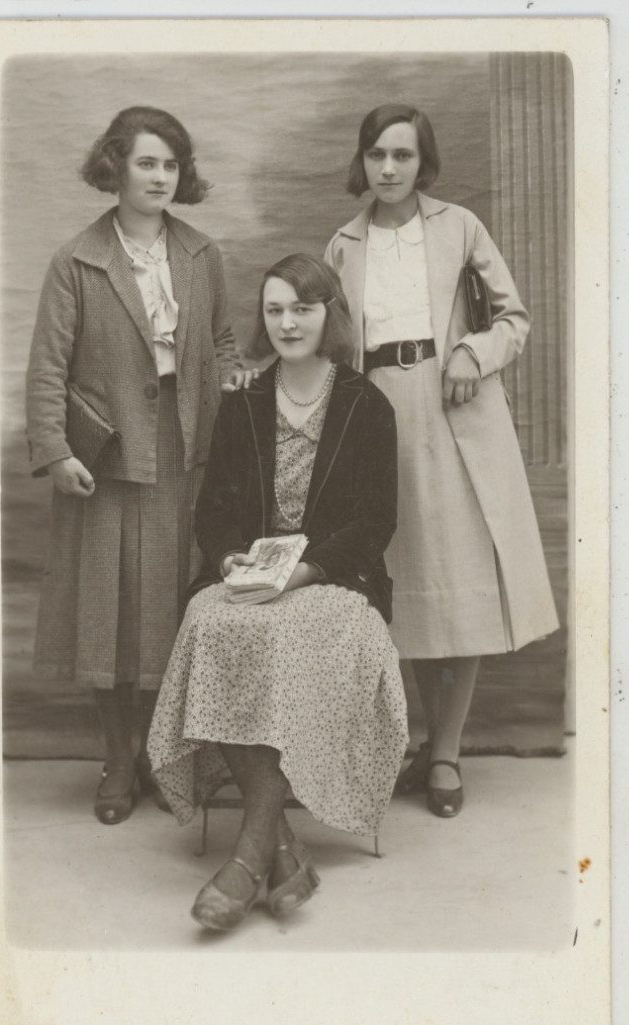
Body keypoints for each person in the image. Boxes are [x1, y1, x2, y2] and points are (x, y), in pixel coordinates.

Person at [146, 253, 409, 931]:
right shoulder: (245, 401)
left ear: (331, 315)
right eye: (274, 309)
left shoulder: (366, 404)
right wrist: (240, 560)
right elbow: (216, 510)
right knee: (211, 623)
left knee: (297, 631)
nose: (288, 322)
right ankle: (282, 852)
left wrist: (303, 571)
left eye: (303, 307)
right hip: (251, 575)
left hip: (334, 577)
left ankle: (251, 852)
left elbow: (374, 521)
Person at [324, 103, 559, 818]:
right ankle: (428, 739)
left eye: (403, 155)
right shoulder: (342, 244)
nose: (389, 169)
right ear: (361, 162)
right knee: (414, 586)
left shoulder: (459, 227)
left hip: (455, 409)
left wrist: (471, 350)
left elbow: (513, 318)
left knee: (461, 583)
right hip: (379, 415)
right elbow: (328, 338)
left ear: (423, 163)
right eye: (377, 155)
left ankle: (448, 750)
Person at [26, 106, 242, 826]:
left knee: (164, 610)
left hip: (184, 450)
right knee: (106, 613)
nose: (159, 177)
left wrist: (235, 393)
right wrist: (55, 450)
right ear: (115, 165)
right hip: (106, 455)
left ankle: (157, 751)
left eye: (171, 165)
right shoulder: (78, 259)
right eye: (146, 162)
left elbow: (223, 341)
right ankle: (117, 759)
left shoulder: (202, 255)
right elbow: (48, 365)